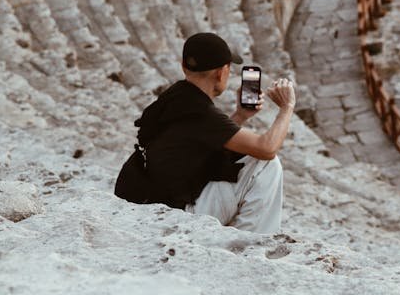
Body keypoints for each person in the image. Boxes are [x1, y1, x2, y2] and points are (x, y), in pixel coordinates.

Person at [114, 32, 296, 234]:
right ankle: (248, 242)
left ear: (184, 66)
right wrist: (287, 107)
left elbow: (205, 141)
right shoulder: (201, 112)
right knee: (266, 165)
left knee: (243, 161)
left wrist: (240, 115)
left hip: (153, 199)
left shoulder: (177, 97)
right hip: (177, 213)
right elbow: (266, 148)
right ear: (221, 73)